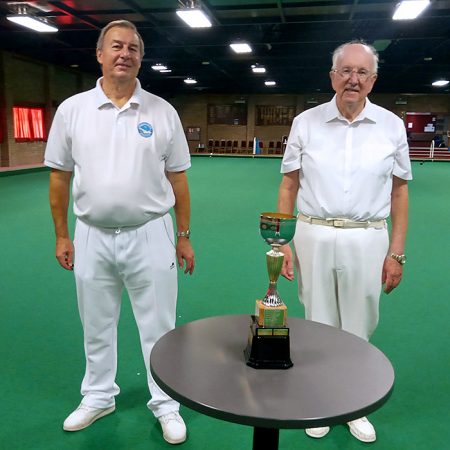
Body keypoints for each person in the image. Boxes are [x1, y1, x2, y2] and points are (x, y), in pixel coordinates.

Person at [44, 20, 194, 445]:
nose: (124, 54)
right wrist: (61, 234)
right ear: (100, 54)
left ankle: (166, 403)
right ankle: (97, 396)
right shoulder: (72, 110)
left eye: (132, 48)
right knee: (96, 323)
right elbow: (59, 178)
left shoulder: (162, 111)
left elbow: (179, 180)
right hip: (90, 234)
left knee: (159, 326)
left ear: (141, 58)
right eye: (116, 46)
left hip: (151, 232)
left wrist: (183, 235)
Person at [277, 40, 411, 443]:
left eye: (362, 73)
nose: (353, 79)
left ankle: (353, 403)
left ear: (373, 80)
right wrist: (284, 241)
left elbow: (400, 193)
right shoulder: (305, 122)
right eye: (346, 71)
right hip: (312, 233)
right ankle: (319, 401)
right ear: (332, 76)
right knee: (317, 321)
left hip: (368, 237)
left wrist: (397, 253)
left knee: (358, 324)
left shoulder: (391, 125)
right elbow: (288, 184)